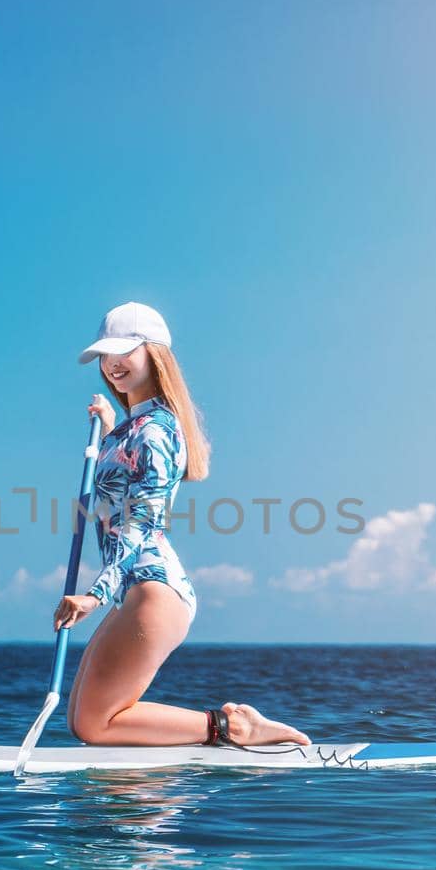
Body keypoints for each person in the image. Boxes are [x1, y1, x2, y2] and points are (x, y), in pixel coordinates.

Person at [54, 302, 310, 748]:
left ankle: (235, 727)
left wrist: (96, 594)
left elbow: (143, 518)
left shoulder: (156, 430)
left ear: (154, 353)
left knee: (97, 724)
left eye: (124, 351)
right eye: (104, 356)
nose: (112, 364)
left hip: (152, 587)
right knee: (82, 721)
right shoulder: (137, 428)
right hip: (133, 588)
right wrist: (112, 427)